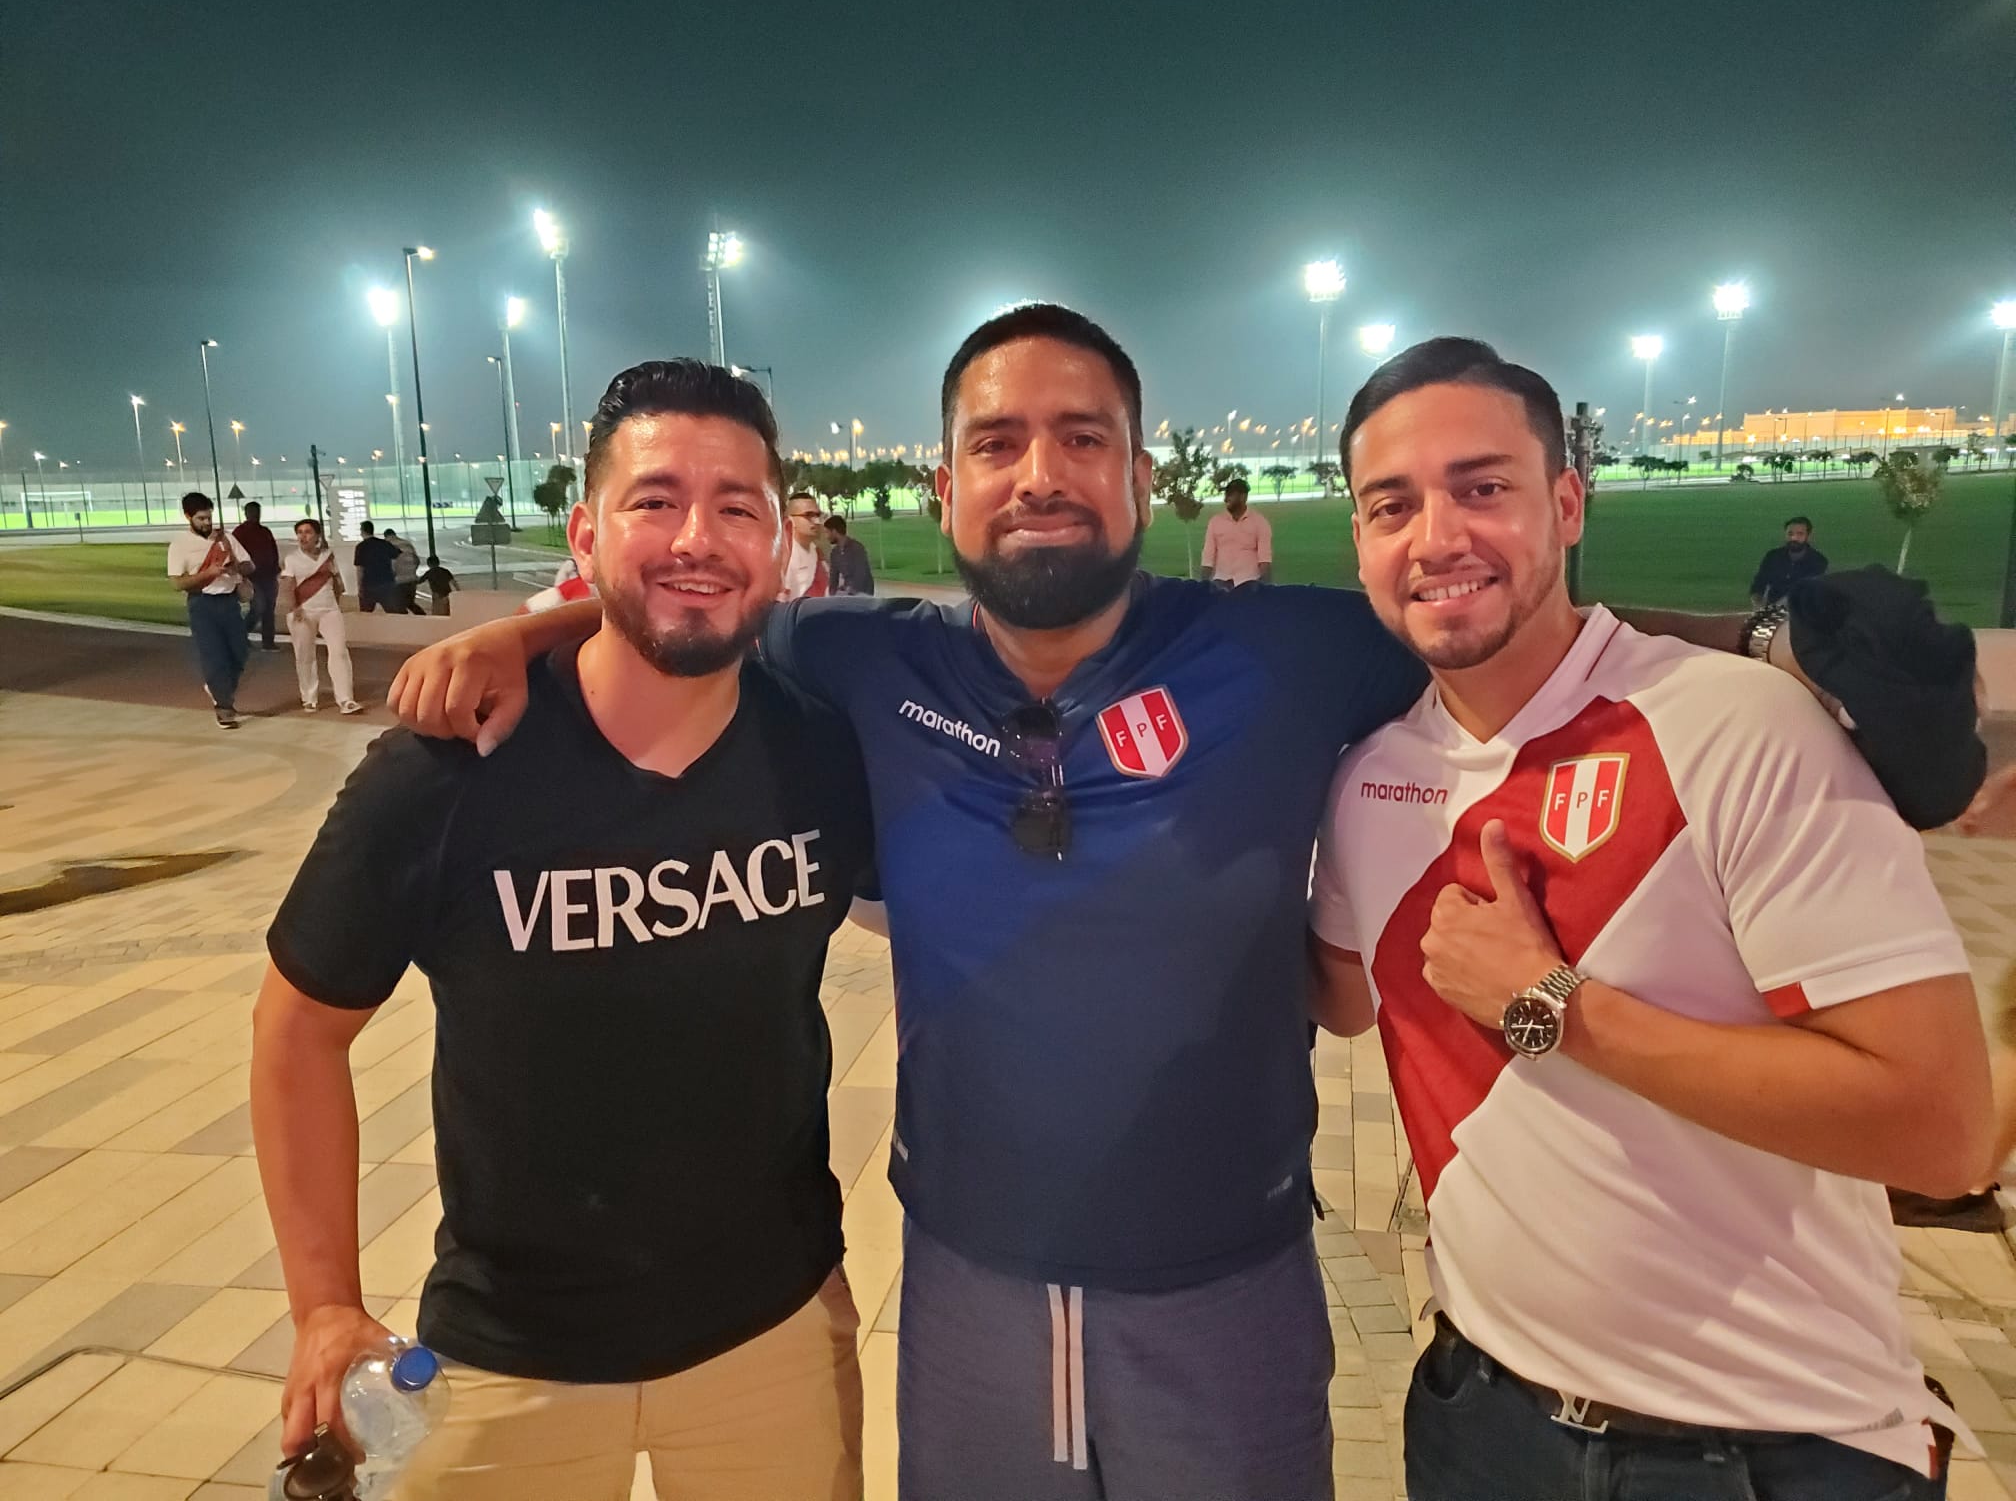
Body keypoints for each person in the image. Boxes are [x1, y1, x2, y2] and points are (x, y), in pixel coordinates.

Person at [385, 306, 1969, 1500]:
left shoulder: (1291, 649)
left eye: (1085, 440)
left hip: (1232, 1287)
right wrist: (524, 635)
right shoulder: (864, 659)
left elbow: (1505, 616)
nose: (1042, 476)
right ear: (945, 487)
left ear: (1142, 476)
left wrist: (1793, 657)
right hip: (973, 1285)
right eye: (999, 445)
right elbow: (682, 614)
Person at [1307, 337, 1988, 1501]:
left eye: (1484, 488)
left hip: (1773, 1443)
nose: (1438, 537)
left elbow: (1942, 1131)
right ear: (1359, 542)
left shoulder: (1739, 728)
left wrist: (1555, 1006)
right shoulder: (1369, 781)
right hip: (1483, 1419)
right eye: (1392, 505)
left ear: (1568, 503)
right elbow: (1337, 999)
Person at [251, 359, 873, 1501]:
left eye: (737, 506)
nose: (699, 535)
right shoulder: (450, 771)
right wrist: (324, 1303)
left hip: (773, 1332)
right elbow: (297, 1032)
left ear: (784, 541)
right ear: (585, 532)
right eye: (655, 500)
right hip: (508, 1353)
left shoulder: (827, 751)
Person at [167, 491, 255, 728]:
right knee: (214, 657)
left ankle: (217, 687)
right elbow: (177, 583)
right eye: (201, 519)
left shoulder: (225, 539)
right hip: (202, 604)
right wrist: (207, 574)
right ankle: (224, 707)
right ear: (188, 517)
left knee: (240, 653)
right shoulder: (180, 544)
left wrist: (235, 565)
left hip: (229, 602)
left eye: (209, 518)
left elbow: (249, 565)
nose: (207, 523)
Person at [280, 518, 360, 715]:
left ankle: (345, 699)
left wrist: (337, 601)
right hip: (303, 612)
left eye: (307, 532)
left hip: (329, 610)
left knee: (339, 652)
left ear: (317, 535)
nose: (303, 536)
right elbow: (288, 586)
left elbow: (337, 582)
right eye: (299, 532)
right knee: (305, 655)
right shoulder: (292, 559)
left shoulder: (328, 556)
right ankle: (309, 697)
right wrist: (295, 607)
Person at [1199, 476, 1272, 586]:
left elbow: (1264, 558)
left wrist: (1264, 587)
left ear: (1243, 497)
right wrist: (1202, 585)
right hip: (1221, 582)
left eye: (1230, 495)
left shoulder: (1260, 522)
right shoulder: (1215, 522)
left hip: (1249, 582)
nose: (1226, 499)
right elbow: (1208, 556)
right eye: (1226, 495)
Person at [1749, 514, 1828, 606]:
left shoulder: (1818, 561)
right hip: (1773, 607)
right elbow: (1758, 584)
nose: (1793, 538)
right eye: (1790, 534)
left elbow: (1804, 591)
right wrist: (1758, 604)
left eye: (1800, 534)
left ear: (1809, 536)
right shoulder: (1772, 556)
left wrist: (1777, 608)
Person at [235, 499, 282, 650]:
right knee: (259, 607)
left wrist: (276, 568)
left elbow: (273, 551)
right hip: (252, 577)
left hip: (268, 576)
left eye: (257, 512)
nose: (256, 515)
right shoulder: (240, 533)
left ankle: (268, 641)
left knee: (269, 608)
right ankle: (240, 634)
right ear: (247, 513)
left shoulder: (265, 531)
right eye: (253, 512)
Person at [782, 492, 829, 598]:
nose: (817, 521)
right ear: (790, 520)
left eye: (818, 515)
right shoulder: (785, 557)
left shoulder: (817, 551)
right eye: (808, 515)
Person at [352, 521, 399, 613]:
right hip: (386, 583)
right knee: (392, 613)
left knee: (365, 615)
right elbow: (396, 558)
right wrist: (393, 573)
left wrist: (359, 587)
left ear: (362, 531)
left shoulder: (361, 547)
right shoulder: (384, 544)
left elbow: (360, 569)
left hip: (369, 585)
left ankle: (367, 628)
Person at [824, 513, 875, 595]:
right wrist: (832, 594)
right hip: (848, 592)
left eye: (827, 532)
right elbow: (833, 577)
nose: (826, 536)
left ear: (834, 531)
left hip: (862, 593)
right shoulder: (835, 553)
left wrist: (850, 590)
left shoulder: (856, 548)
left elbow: (861, 573)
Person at [385, 527, 424, 613]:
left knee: (398, 605)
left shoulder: (387, 545)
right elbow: (417, 560)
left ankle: (406, 622)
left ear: (386, 536)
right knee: (410, 603)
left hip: (398, 581)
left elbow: (390, 564)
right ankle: (423, 617)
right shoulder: (407, 544)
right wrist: (412, 571)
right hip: (412, 579)